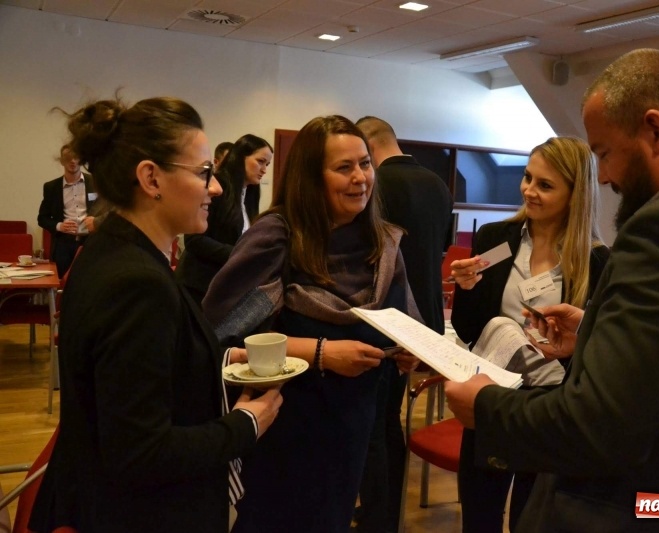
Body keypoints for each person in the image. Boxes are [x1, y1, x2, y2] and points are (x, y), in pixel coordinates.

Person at [445, 48, 659, 533]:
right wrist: (595, 332)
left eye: (605, 153)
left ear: (655, 131)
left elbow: (600, 428)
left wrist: (485, 407)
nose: (606, 177)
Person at [29, 96, 283, 533]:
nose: (216, 187)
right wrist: (245, 424)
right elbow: (141, 451)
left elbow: (128, 380)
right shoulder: (136, 283)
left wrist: (220, 361)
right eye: (204, 173)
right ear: (151, 178)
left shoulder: (113, 250)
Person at [203, 115, 421, 533]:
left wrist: (409, 352)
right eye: (344, 168)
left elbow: (399, 324)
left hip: (352, 425)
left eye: (365, 164)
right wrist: (321, 353)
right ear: (310, 177)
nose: (360, 178)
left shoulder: (382, 244)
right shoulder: (276, 238)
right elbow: (220, 338)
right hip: (282, 427)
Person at [448, 136, 609, 533]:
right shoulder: (495, 240)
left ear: (576, 194)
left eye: (545, 185)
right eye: (527, 178)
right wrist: (465, 291)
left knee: (531, 519)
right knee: (479, 516)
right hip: (492, 395)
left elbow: (594, 354)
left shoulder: (597, 261)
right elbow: (469, 330)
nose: (528, 191)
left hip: (549, 410)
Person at [354, 115, 454, 533]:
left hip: (390, 318)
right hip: (427, 315)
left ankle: (381, 512)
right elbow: (444, 247)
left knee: (376, 423)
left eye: (360, 161)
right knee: (387, 418)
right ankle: (384, 508)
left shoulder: (380, 186)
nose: (358, 174)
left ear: (370, 148)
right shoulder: (437, 183)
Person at [176, 134, 273, 305]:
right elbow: (194, 240)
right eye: (260, 161)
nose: (264, 169)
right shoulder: (217, 187)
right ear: (241, 157)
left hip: (223, 285)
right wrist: (239, 254)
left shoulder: (249, 194)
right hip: (198, 285)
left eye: (267, 164)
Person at [37, 144, 99, 276]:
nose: (73, 161)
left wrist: (96, 221)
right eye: (68, 158)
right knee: (61, 286)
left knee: (89, 281)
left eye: (76, 157)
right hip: (63, 245)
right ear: (61, 161)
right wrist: (59, 226)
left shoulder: (95, 182)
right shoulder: (51, 187)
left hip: (89, 242)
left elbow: (108, 211)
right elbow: (42, 218)